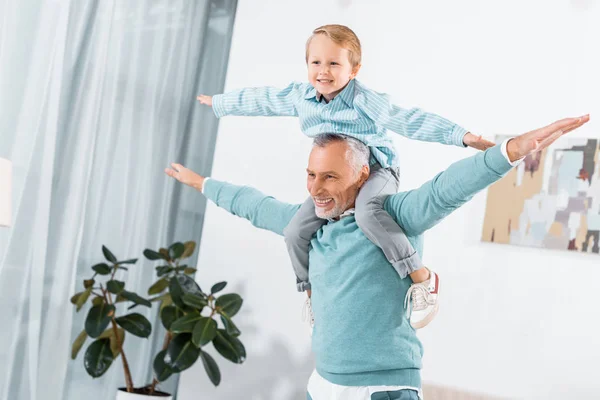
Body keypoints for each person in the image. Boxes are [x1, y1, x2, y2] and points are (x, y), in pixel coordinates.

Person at [166, 115, 589, 400]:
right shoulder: (311, 225)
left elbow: (446, 188)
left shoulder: (393, 216)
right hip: (323, 383)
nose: (316, 188)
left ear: (362, 175)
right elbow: (254, 204)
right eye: (311, 175)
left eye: (330, 176)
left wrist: (508, 151)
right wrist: (201, 183)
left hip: (382, 389)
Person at [197, 24, 496, 328]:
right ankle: (313, 294)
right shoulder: (301, 97)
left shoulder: (364, 100)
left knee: (367, 214)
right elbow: (264, 100)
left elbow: (409, 120)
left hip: (376, 169)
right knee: (294, 232)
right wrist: (220, 102)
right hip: (335, 177)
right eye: (316, 62)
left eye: (334, 63)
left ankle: (421, 277)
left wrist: (462, 136)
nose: (323, 71)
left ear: (354, 70)